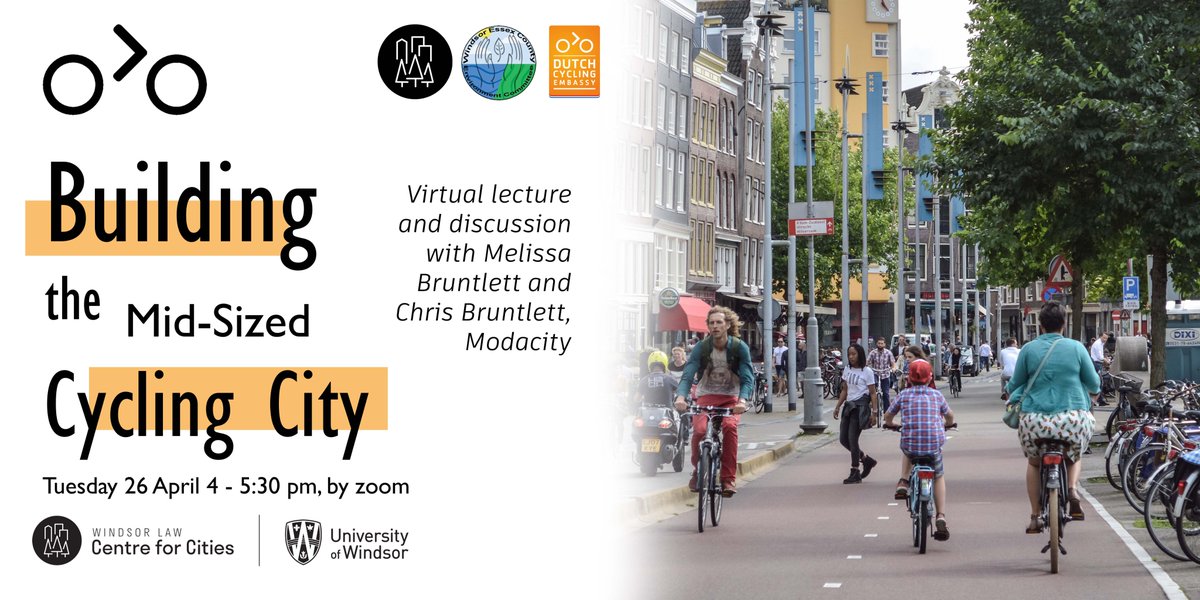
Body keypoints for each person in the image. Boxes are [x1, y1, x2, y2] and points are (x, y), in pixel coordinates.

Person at [1005, 302, 1099, 533]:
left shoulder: (1028, 349)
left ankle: (1035, 516)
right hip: (1072, 420)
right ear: (1064, 324)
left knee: (1034, 463)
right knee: (1074, 454)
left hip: (1034, 421)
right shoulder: (1077, 348)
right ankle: (1073, 488)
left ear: (1040, 324)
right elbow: (1094, 384)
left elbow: (1014, 384)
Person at [674, 307, 752, 497]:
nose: (715, 326)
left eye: (719, 322)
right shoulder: (702, 347)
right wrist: (681, 396)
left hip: (730, 399)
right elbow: (688, 374)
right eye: (712, 323)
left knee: (729, 427)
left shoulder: (738, 347)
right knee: (700, 431)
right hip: (706, 395)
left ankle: (727, 479)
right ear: (708, 326)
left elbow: (748, 378)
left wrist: (742, 400)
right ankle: (697, 470)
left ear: (727, 325)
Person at [886, 359, 955, 541]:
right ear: (930, 377)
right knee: (938, 476)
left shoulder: (903, 395)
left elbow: (888, 415)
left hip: (911, 444)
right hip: (933, 445)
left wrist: (891, 424)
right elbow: (949, 415)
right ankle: (941, 515)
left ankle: (903, 481)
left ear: (909, 377)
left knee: (908, 449)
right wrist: (948, 424)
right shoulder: (936, 395)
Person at [833, 343, 879, 484]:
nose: (851, 357)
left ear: (860, 354)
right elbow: (845, 390)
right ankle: (866, 459)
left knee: (853, 439)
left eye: (854, 354)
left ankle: (855, 471)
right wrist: (838, 406)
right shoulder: (847, 369)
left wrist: (874, 413)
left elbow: (873, 393)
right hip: (849, 406)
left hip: (860, 408)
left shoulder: (867, 372)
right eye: (849, 354)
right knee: (843, 439)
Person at [868, 337, 896, 413]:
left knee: (886, 393)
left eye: (882, 343)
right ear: (877, 344)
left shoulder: (888, 353)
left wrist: (893, 368)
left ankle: (887, 412)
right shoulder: (873, 352)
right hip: (875, 373)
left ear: (884, 344)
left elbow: (893, 363)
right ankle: (872, 406)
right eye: (879, 343)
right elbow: (867, 362)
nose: (880, 345)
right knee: (872, 391)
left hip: (885, 374)